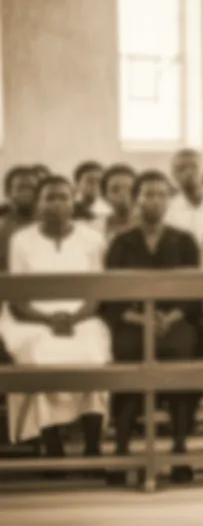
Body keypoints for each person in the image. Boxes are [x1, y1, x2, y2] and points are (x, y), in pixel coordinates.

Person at [101, 170, 203, 484]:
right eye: (147, 194)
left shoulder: (184, 241)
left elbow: (194, 291)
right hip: (133, 322)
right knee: (129, 356)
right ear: (135, 199)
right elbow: (111, 295)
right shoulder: (121, 242)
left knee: (182, 354)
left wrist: (170, 317)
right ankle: (120, 451)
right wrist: (141, 318)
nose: (154, 200)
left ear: (169, 200)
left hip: (174, 321)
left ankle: (179, 448)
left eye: (161, 194)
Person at [0, 176, 111, 463]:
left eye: (63, 196)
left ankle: (93, 443)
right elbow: (17, 297)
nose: (57, 203)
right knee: (39, 357)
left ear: (73, 201)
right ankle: (52, 444)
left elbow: (96, 294)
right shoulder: (21, 240)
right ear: (39, 204)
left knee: (94, 354)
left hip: (80, 317)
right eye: (50, 197)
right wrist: (48, 320)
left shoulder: (93, 238)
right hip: (31, 319)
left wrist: (73, 318)